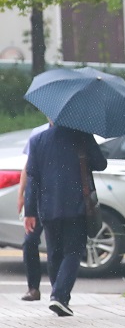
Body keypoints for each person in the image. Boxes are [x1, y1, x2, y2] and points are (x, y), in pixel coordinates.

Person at [24, 125, 107, 316]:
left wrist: (30, 211)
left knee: (54, 253)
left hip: (48, 207)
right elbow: (101, 164)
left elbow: (32, 179)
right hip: (76, 206)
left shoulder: (38, 140)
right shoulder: (82, 136)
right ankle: (59, 296)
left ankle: (59, 297)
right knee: (74, 251)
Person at [18, 122, 50, 301]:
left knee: (56, 246)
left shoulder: (72, 133)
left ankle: (58, 291)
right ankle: (33, 288)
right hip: (36, 197)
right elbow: (28, 167)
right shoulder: (38, 133)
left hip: (57, 198)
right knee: (30, 241)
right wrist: (21, 194)